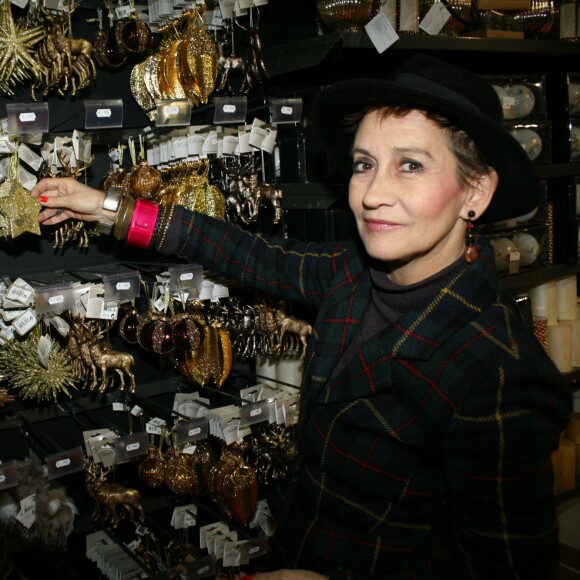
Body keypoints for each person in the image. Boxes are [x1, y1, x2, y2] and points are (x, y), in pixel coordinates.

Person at [31, 54, 572, 579]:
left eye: (411, 165)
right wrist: (106, 207)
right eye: (364, 165)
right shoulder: (353, 275)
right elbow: (248, 254)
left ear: (475, 190)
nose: (373, 194)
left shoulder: (496, 372)